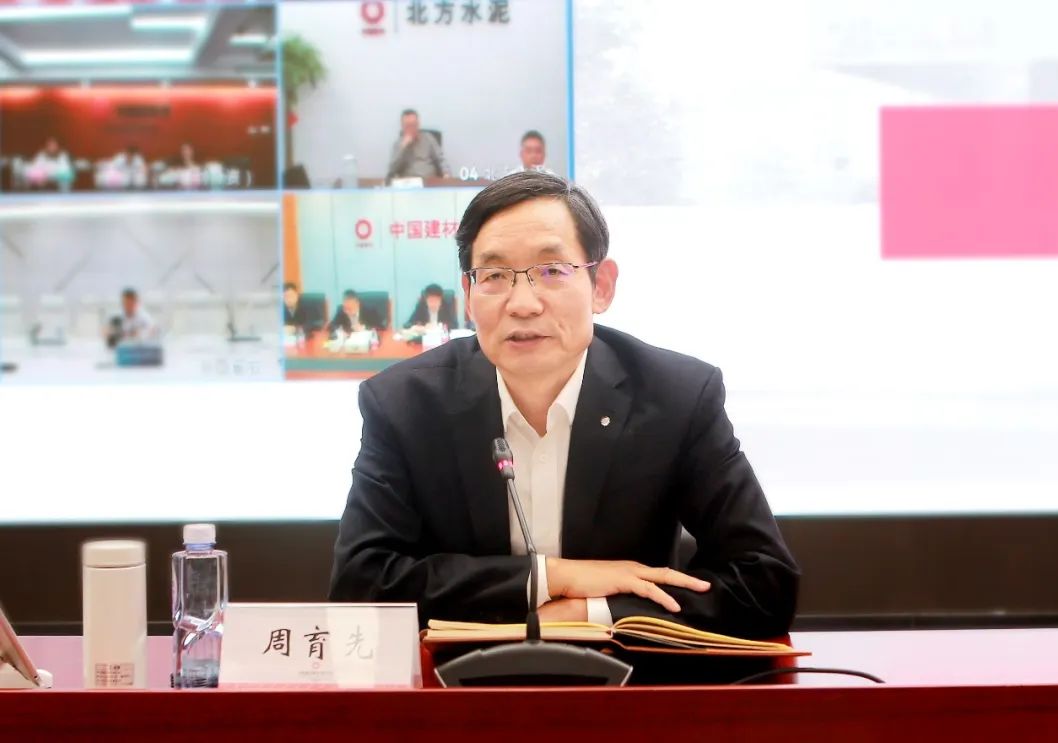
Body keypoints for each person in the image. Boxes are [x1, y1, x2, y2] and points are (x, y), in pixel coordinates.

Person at [329, 172, 799, 637]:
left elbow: (764, 582)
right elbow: (360, 586)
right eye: (494, 276)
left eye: (552, 271)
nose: (523, 304)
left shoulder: (676, 397)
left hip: (625, 676)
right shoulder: (405, 405)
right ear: (468, 295)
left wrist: (590, 613)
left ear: (601, 286)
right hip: (460, 679)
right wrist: (551, 578)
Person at [387, 109, 449, 180]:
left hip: (429, 181)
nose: (411, 129)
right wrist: (403, 148)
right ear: (402, 126)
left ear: (418, 124)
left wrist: (446, 173)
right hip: (408, 182)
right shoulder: (398, 144)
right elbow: (391, 171)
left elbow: (441, 160)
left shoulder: (428, 138)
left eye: (413, 125)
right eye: (408, 126)